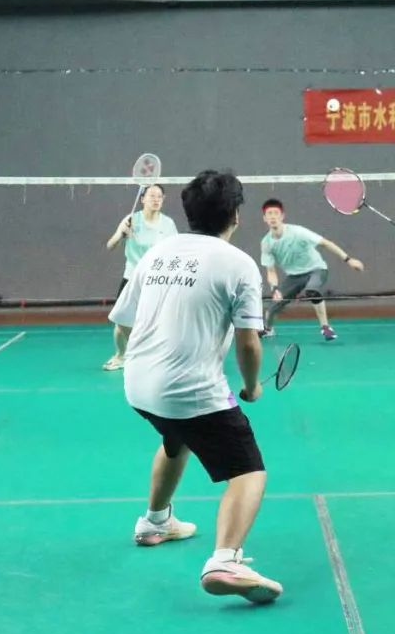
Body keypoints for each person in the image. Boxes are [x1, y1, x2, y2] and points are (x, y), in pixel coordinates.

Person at [108, 170, 282, 604]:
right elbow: (248, 342)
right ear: (236, 215)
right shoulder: (239, 264)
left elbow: (123, 321)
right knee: (248, 470)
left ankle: (155, 522)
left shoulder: (158, 252)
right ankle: (225, 560)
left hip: (138, 385)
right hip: (190, 390)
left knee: (176, 437)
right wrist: (251, 387)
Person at [259, 198, 364, 340]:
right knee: (272, 308)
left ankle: (325, 328)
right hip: (294, 277)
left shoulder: (298, 232)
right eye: (269, 214)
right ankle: (268, 329)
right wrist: (275, 289)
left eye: (276, 213)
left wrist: (348, 259)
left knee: (312, 290)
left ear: (282, 216)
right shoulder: (266, 243)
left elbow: (326, 243)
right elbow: (271, 271)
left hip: (316, 269)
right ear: (264, 218)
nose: (273, 217)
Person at [103, 184, 177, 371]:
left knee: (159, 322)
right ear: (142, 199)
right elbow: (110, 246)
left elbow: (174, 251)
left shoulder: (168, 224)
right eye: (151, 195)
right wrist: (121, 234)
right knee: (121, 321)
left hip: (157, 280)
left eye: (159, 196)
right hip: (132, 277)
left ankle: (155, 355)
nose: (156, 199)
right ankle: (121, 355)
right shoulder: (131, 220)